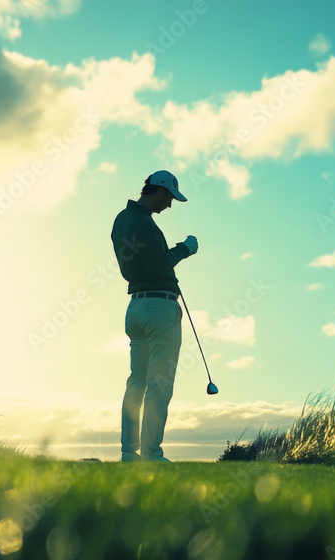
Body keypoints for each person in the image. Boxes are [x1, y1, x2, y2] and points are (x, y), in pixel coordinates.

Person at [110, 170, 198, 462]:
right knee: (159, 383)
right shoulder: (145, 224)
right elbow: (160, 266)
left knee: (137, 381)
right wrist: (184, 249)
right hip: (159, 308)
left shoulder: (122, 220)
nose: (170, 205)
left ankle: (129, 452)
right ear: (159, 191)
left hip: (136, 308)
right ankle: (151, 453)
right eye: (169, 198)